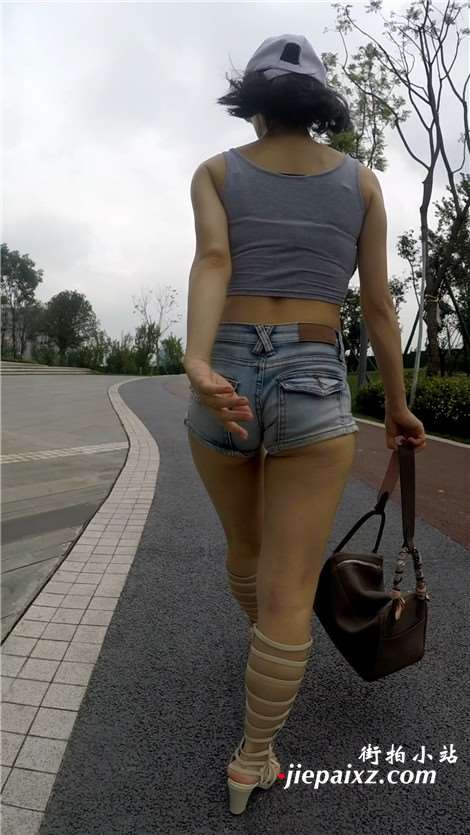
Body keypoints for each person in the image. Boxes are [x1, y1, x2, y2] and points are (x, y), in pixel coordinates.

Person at [182, 34, 426, 815]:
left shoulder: (217, 172)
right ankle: (253, 758)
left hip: (224, 372)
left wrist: (198, 361)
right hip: (316, 374)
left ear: (252, 102)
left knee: (246, 552)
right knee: (291, 588)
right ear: (320, 104)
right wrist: (397, 405)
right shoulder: (362, 184)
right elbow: (379, 306)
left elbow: (214, 261)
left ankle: (270, 652)